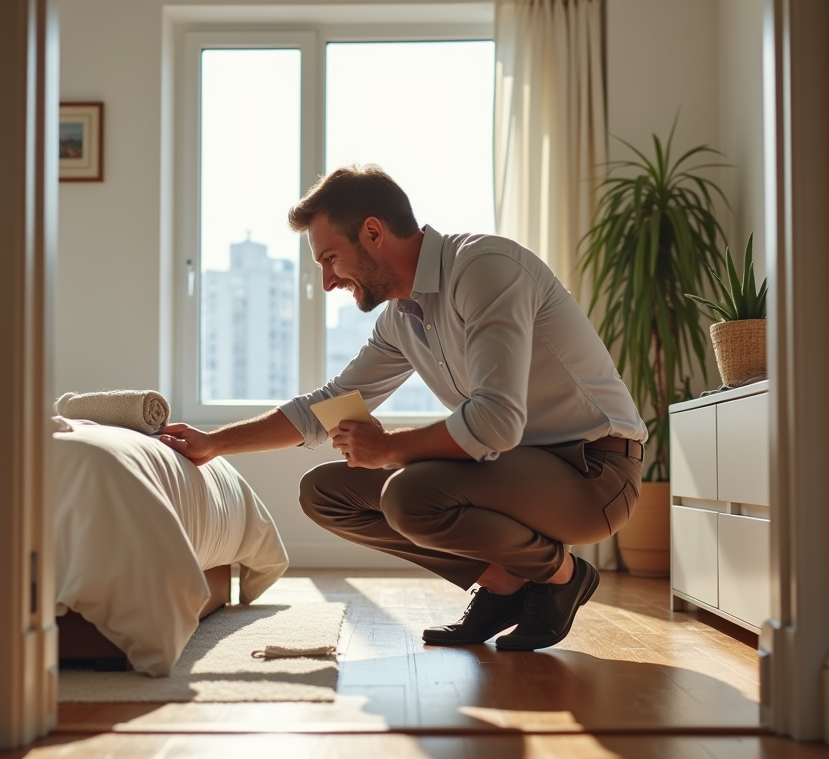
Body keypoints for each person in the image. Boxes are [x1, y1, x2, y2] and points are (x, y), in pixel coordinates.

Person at [159, 165, 647, 651]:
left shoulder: (484, 268)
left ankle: (562, 576)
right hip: (511, 471)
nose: (327, 282)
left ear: (373, 232)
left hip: (593, 473)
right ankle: (504, 582)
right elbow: (325, 407)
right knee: (326, 491)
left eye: (331, 259)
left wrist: (389, 447)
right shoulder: (402, 319)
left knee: (408, 495)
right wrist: (214, 444)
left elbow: (496, 422)